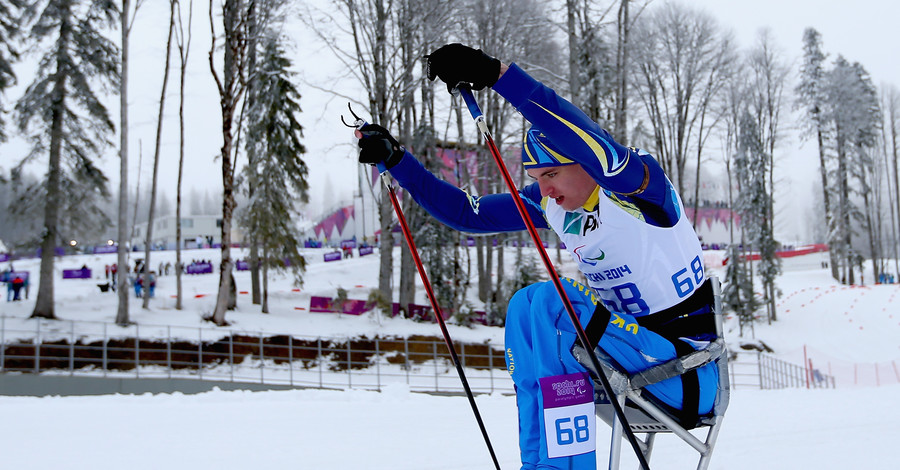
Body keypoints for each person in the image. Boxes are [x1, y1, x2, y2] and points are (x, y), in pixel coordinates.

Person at [355, 43, 719, 469]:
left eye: (551, 174)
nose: (544, 189)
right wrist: (397, 162)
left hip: (688, 373)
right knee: (525, 305)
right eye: (536, 178)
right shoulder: (555, 206)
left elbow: (590, 142)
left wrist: (497, 76)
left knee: (551, 303)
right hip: (632, 364)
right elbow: (465, 214)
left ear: (582, 163)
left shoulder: (638, 187)